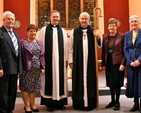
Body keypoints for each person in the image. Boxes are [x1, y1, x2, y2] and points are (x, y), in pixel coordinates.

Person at [68, 12, 101, 111]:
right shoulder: (74, 32)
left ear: (89, 20)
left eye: (86, 19)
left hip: (90, 62)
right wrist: (71, 61)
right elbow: (70, 48)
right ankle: (79, 103)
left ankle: (90, 103)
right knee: (78, 80)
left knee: (90, 80)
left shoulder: (93, 32)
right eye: (82, 19)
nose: (84, 20)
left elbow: (99, 46)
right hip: (78, 61)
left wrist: (98, 37)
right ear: (79, 20)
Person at [38, 10, 68, 111]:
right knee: (48, 81)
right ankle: (49, 103)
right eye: (53, 16)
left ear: (59, 18)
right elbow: (40, 46)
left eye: (57, 17)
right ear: (50, 17)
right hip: (48, 61)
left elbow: (66, 46)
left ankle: (60, 103)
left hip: (60, 61)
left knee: (60, 81)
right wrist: (41, 62)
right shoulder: (43, 30)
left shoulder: (63, 31)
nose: (55, 18)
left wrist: (66, 59)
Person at [0, 11, 23, 113]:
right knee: (3, 91)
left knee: (12, 91)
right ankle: (3, 110)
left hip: (14, 67)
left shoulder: (16, 34)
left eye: (12, 19)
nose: (11, 21)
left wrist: (20, 68)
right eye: (8, 19)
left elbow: (18, 52)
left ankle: (10, 109)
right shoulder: (0, 33)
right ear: (3, 20)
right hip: (4, 67)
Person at [20, 24, 45, 113]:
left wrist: (42, 67)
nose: (33, 32)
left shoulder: (39, 43)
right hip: (26, 68)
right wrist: (20, 69)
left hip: (36, 69)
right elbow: (20, 56)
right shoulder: (22, 42)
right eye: (31, 31)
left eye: (34, 31)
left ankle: (32, 104)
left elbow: (42, 56)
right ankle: (26, 106)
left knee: (33, 87)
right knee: (26, 87)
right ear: (27, 32)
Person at [101, 18, 125, 111]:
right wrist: (103, 63)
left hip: (118, 63)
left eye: (113, 26)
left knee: (117, 83)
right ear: (108, 27)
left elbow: (124, 51)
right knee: (110, 83)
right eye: (110, 26)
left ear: (116, 27)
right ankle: (112, 101)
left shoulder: (121, 36)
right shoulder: (105, 37)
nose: (112, 27)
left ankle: (117, 102)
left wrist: (123, 64)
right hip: (109, 63)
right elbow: (103, 51)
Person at [124, 15, 141, 112]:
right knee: (134, 83)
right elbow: (125, 49)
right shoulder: (127, 34)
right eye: (132, 21)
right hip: (131, 63)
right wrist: (130, 61)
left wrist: (139, 60)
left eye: (135, 21)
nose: (134, 23)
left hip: (140, 62)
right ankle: (136, 104)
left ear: (138, 22)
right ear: (130, 23)